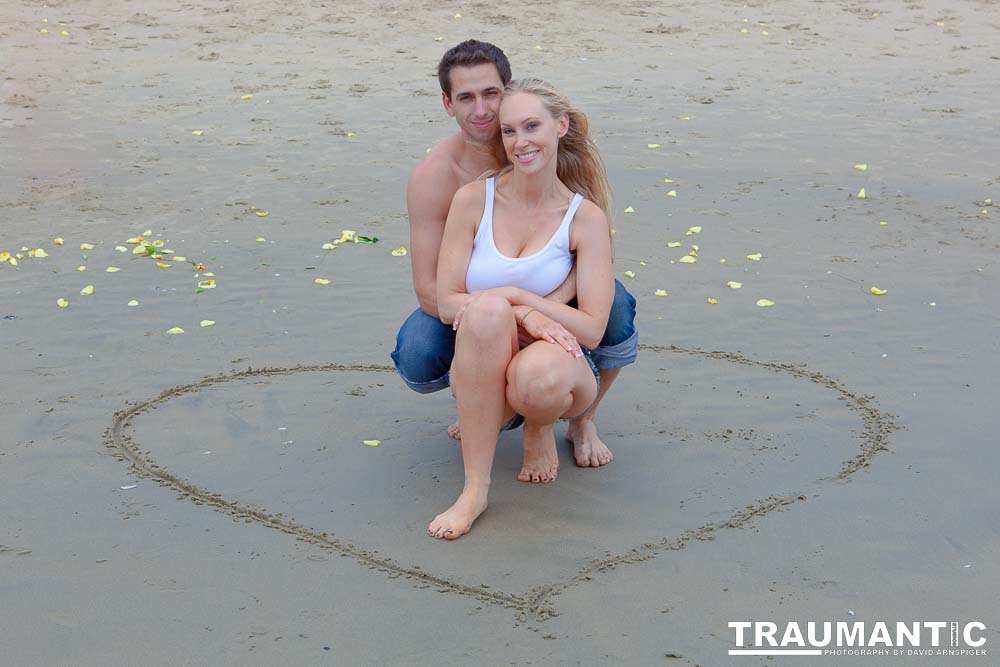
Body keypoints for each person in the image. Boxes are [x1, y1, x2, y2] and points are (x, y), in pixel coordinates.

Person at [391, 40, 637, 469]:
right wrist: (515, 316)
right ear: (447, 104)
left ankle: (584, 417)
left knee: (613, 304)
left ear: (507, 90)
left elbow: (593, 252)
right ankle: (483, 403)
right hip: (475, 304)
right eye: (466, 98)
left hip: (553, 292)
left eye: (490, 94)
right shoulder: (438, 178)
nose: (482, 110)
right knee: (418, 346)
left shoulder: (538, 140)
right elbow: (432, 293)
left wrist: (544, 308)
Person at [428, 78, 615, 539]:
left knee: (535, 380)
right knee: (485, 312)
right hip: (484, 346)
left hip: (558, 360)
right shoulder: (474, 199)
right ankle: (475, 489)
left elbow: (592, 329)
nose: (520, 142)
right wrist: (515, 311)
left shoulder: (584, 217)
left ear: (561, 127)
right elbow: (449, 300)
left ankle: (539, 425)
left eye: (532, 126)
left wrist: (523, 299)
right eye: (509, 131)